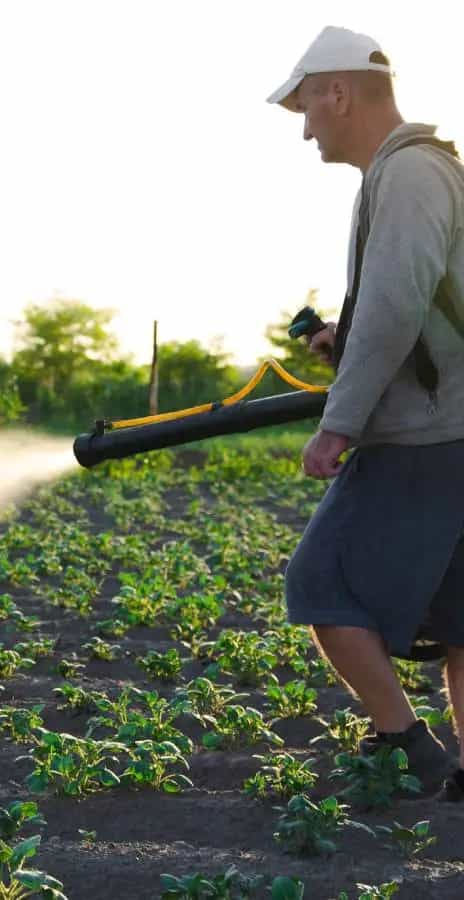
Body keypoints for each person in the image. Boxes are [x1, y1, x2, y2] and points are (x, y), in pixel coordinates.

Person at [267, 25, 464, 800]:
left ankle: (403, 743)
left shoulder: (409, 175)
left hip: (425, 434)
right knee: (459, 617)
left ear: (338, 92)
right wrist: (344, 341)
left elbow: (393, 304)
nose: (308, 126)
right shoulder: (424, 172)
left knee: (320, 584)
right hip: (454, 425)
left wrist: (340, 419)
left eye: (308, 107)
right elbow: (414, 308)